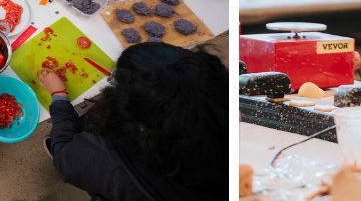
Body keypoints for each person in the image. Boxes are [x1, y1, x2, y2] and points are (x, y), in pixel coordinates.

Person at [37, 42, 226, 200]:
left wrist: (59, 96)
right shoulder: (218, 118)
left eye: (117, 82)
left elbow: (65, 157)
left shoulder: (107, 161)